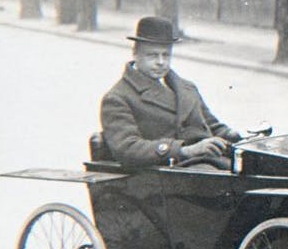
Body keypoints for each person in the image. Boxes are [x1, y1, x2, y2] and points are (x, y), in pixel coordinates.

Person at [100, 16, 242, 170]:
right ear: (135, 53)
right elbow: (127, 148)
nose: (161, 62)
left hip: (209, 163)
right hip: (167, 173)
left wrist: (233, 135)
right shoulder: (118, 97)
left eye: (166, 55)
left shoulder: (187, 88)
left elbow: (213, 126)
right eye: (152, 55)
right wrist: (184, 150)